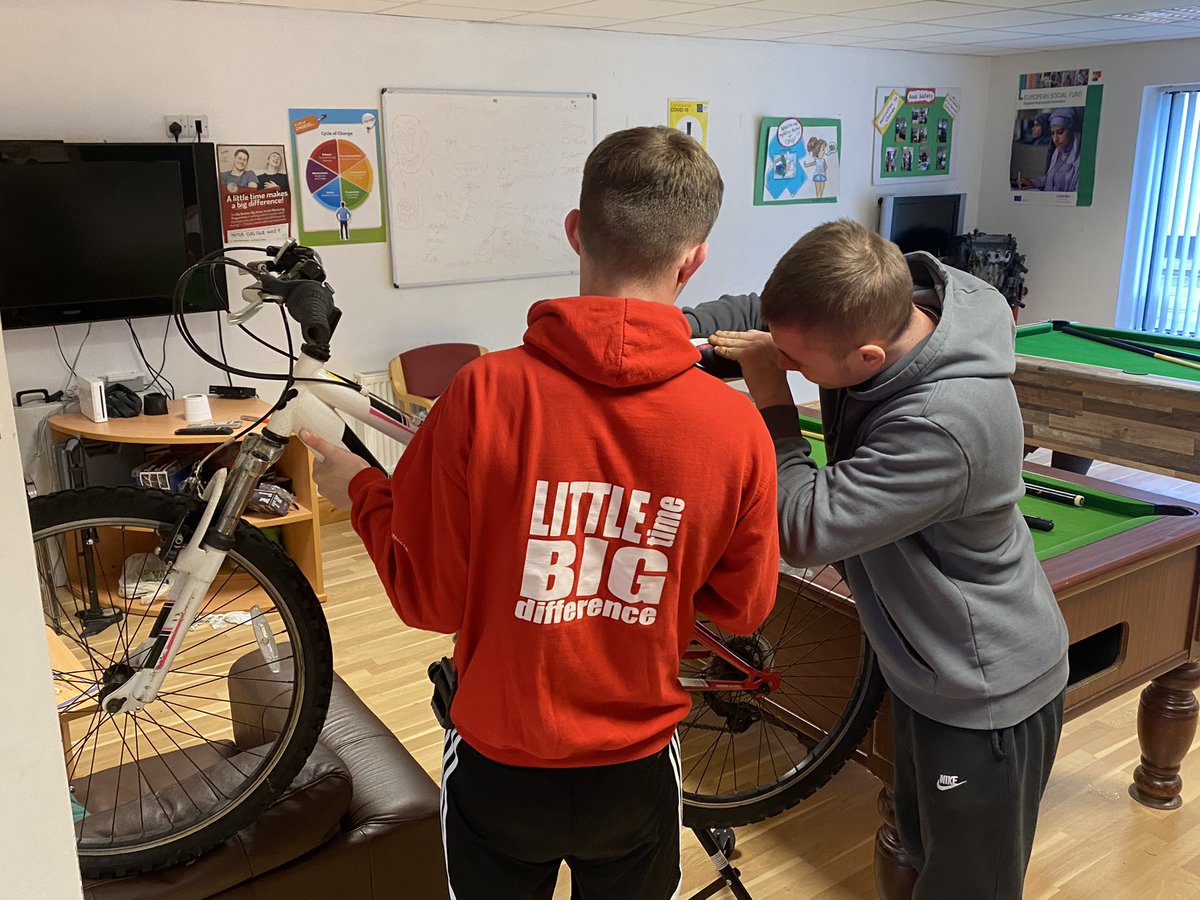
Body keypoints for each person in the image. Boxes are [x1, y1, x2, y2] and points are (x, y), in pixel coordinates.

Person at [301, 125, 780, 900]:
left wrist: (359, 488)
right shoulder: (735, 427)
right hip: (636, 768)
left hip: (499, 764)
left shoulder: (481, 393)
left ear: (574, 231)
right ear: (694, 261)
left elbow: (429, 600)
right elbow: (743, 603)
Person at [683, 218, 1068, 900]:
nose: (788, 362)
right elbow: (762, 317)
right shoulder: (878, 298)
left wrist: (772, 394)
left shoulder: (947, 422)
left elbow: (802, 527)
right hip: (926, 673)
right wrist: (666, 331)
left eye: (801, 363)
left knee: (967, 888)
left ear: (866, 359)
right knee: (914, 843)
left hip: (984, 694)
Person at [1019, 107, 1081, 192]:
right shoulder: (1058, 152)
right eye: (1052, 133)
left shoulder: (1080, 161)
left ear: (1072, 132)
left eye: (1060, 132)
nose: (1055, 139)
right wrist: (1034, 183)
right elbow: (1052, 178)